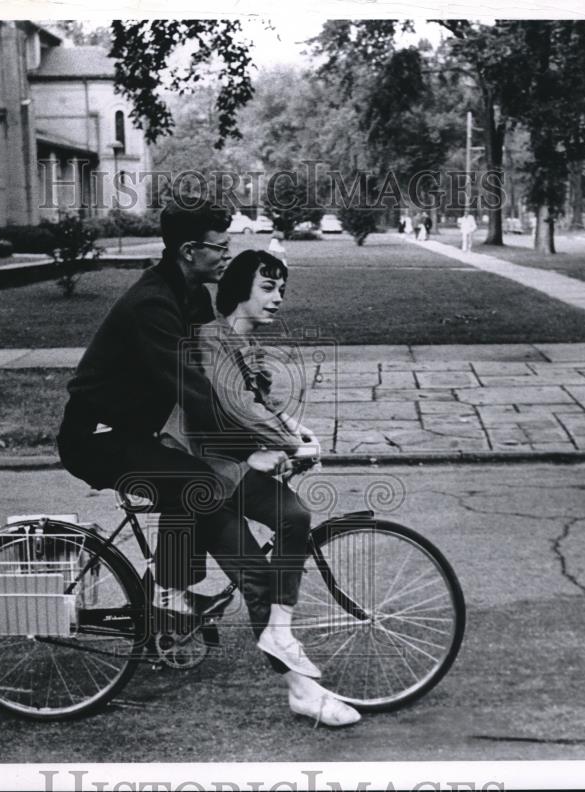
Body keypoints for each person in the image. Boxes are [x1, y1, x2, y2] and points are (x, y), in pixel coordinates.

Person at [159, 249, 362, 727]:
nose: (278, 299)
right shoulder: (210, 338)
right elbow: (234, 408)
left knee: (293, 516)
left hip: (229, 471)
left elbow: (260, 401)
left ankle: (279, 628)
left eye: (282, 290)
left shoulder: (243, 345)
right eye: (267, 288)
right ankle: (302, 692)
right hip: (198, 478)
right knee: (255, 577)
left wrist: (294, 430)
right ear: (239, 292)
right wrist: (289, 443)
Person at [57, 201, 259, 615]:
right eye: (220, 247)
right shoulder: (153, 304)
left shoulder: (193, 295)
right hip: (95, 437)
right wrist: (252, 444)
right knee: (190, 482)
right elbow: (192, 389)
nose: (227, 255)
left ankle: (168, 594)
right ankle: (168, 596)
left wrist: (261, 404)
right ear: (189, 251)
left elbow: (217, 364)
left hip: (139, 428)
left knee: (197, 478)